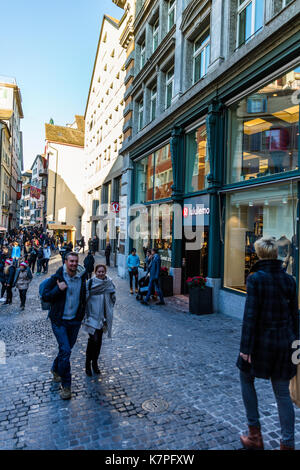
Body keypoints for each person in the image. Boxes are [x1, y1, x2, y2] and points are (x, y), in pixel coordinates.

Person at [237, 237, 298, 451]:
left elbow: (250, 316)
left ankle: (255, 435)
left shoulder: (256, 279)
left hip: (260, 344)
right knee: (282, 393)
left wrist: (245, 349)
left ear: (259, 254)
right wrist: (296, 346)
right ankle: (287, 444)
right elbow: (294, 316)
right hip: (284, 343)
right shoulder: (290, 280)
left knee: (245, 377)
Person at [42, 252, 87, 400]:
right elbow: (45, 296)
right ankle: (66, 386)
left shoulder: (81, 278)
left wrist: (81, 315)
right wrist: (58, 289)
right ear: (66, 262)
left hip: (74, 322)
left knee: (65, 351)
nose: (73, 264)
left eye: (75, 261)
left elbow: (83, 298)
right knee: (66, 351)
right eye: (71, 261)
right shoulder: (57, 277)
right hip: (59, 321)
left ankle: (55, 368)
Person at [83, 264, 116, 376]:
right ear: (95, 272)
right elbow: (84, 298)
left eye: (103, 272)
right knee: (93, 340)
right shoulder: (90, 283)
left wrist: (110, 303)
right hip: (92, 316)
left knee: (99, 342)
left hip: (103, 317)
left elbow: (113, 296)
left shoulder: (108, 283)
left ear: (105, 272)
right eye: (99, 272)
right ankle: (88, 364)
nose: (101, 273)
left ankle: (95, 363)